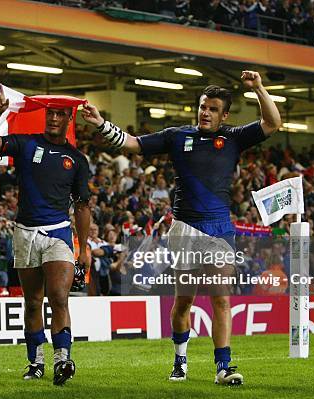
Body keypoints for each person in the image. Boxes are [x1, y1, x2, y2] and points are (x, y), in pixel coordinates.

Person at [82, 71, 281, 386]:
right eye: (203, 106)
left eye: (213, 108)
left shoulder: (233, 138)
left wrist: (258, 88)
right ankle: (180, 360)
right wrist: (101, 124)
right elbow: (133, 144)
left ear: (224, 114)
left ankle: (223, 367)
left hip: (219, 231)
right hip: (184, 229)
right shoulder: (177, 136)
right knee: (184, 301)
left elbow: (272, 123)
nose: (206, 112)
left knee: (221, 298)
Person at [0, 86, 91, 385]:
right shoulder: (26, 145)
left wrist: (85, 248)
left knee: (58, 297)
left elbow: (82, 206)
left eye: (59, 114)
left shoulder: (77, 160)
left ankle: (63, 359)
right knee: (32, 301)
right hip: (25, 233)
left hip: (58, 233)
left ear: (69, 119)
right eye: (50, 113)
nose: (53, 118)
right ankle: (35, 362)